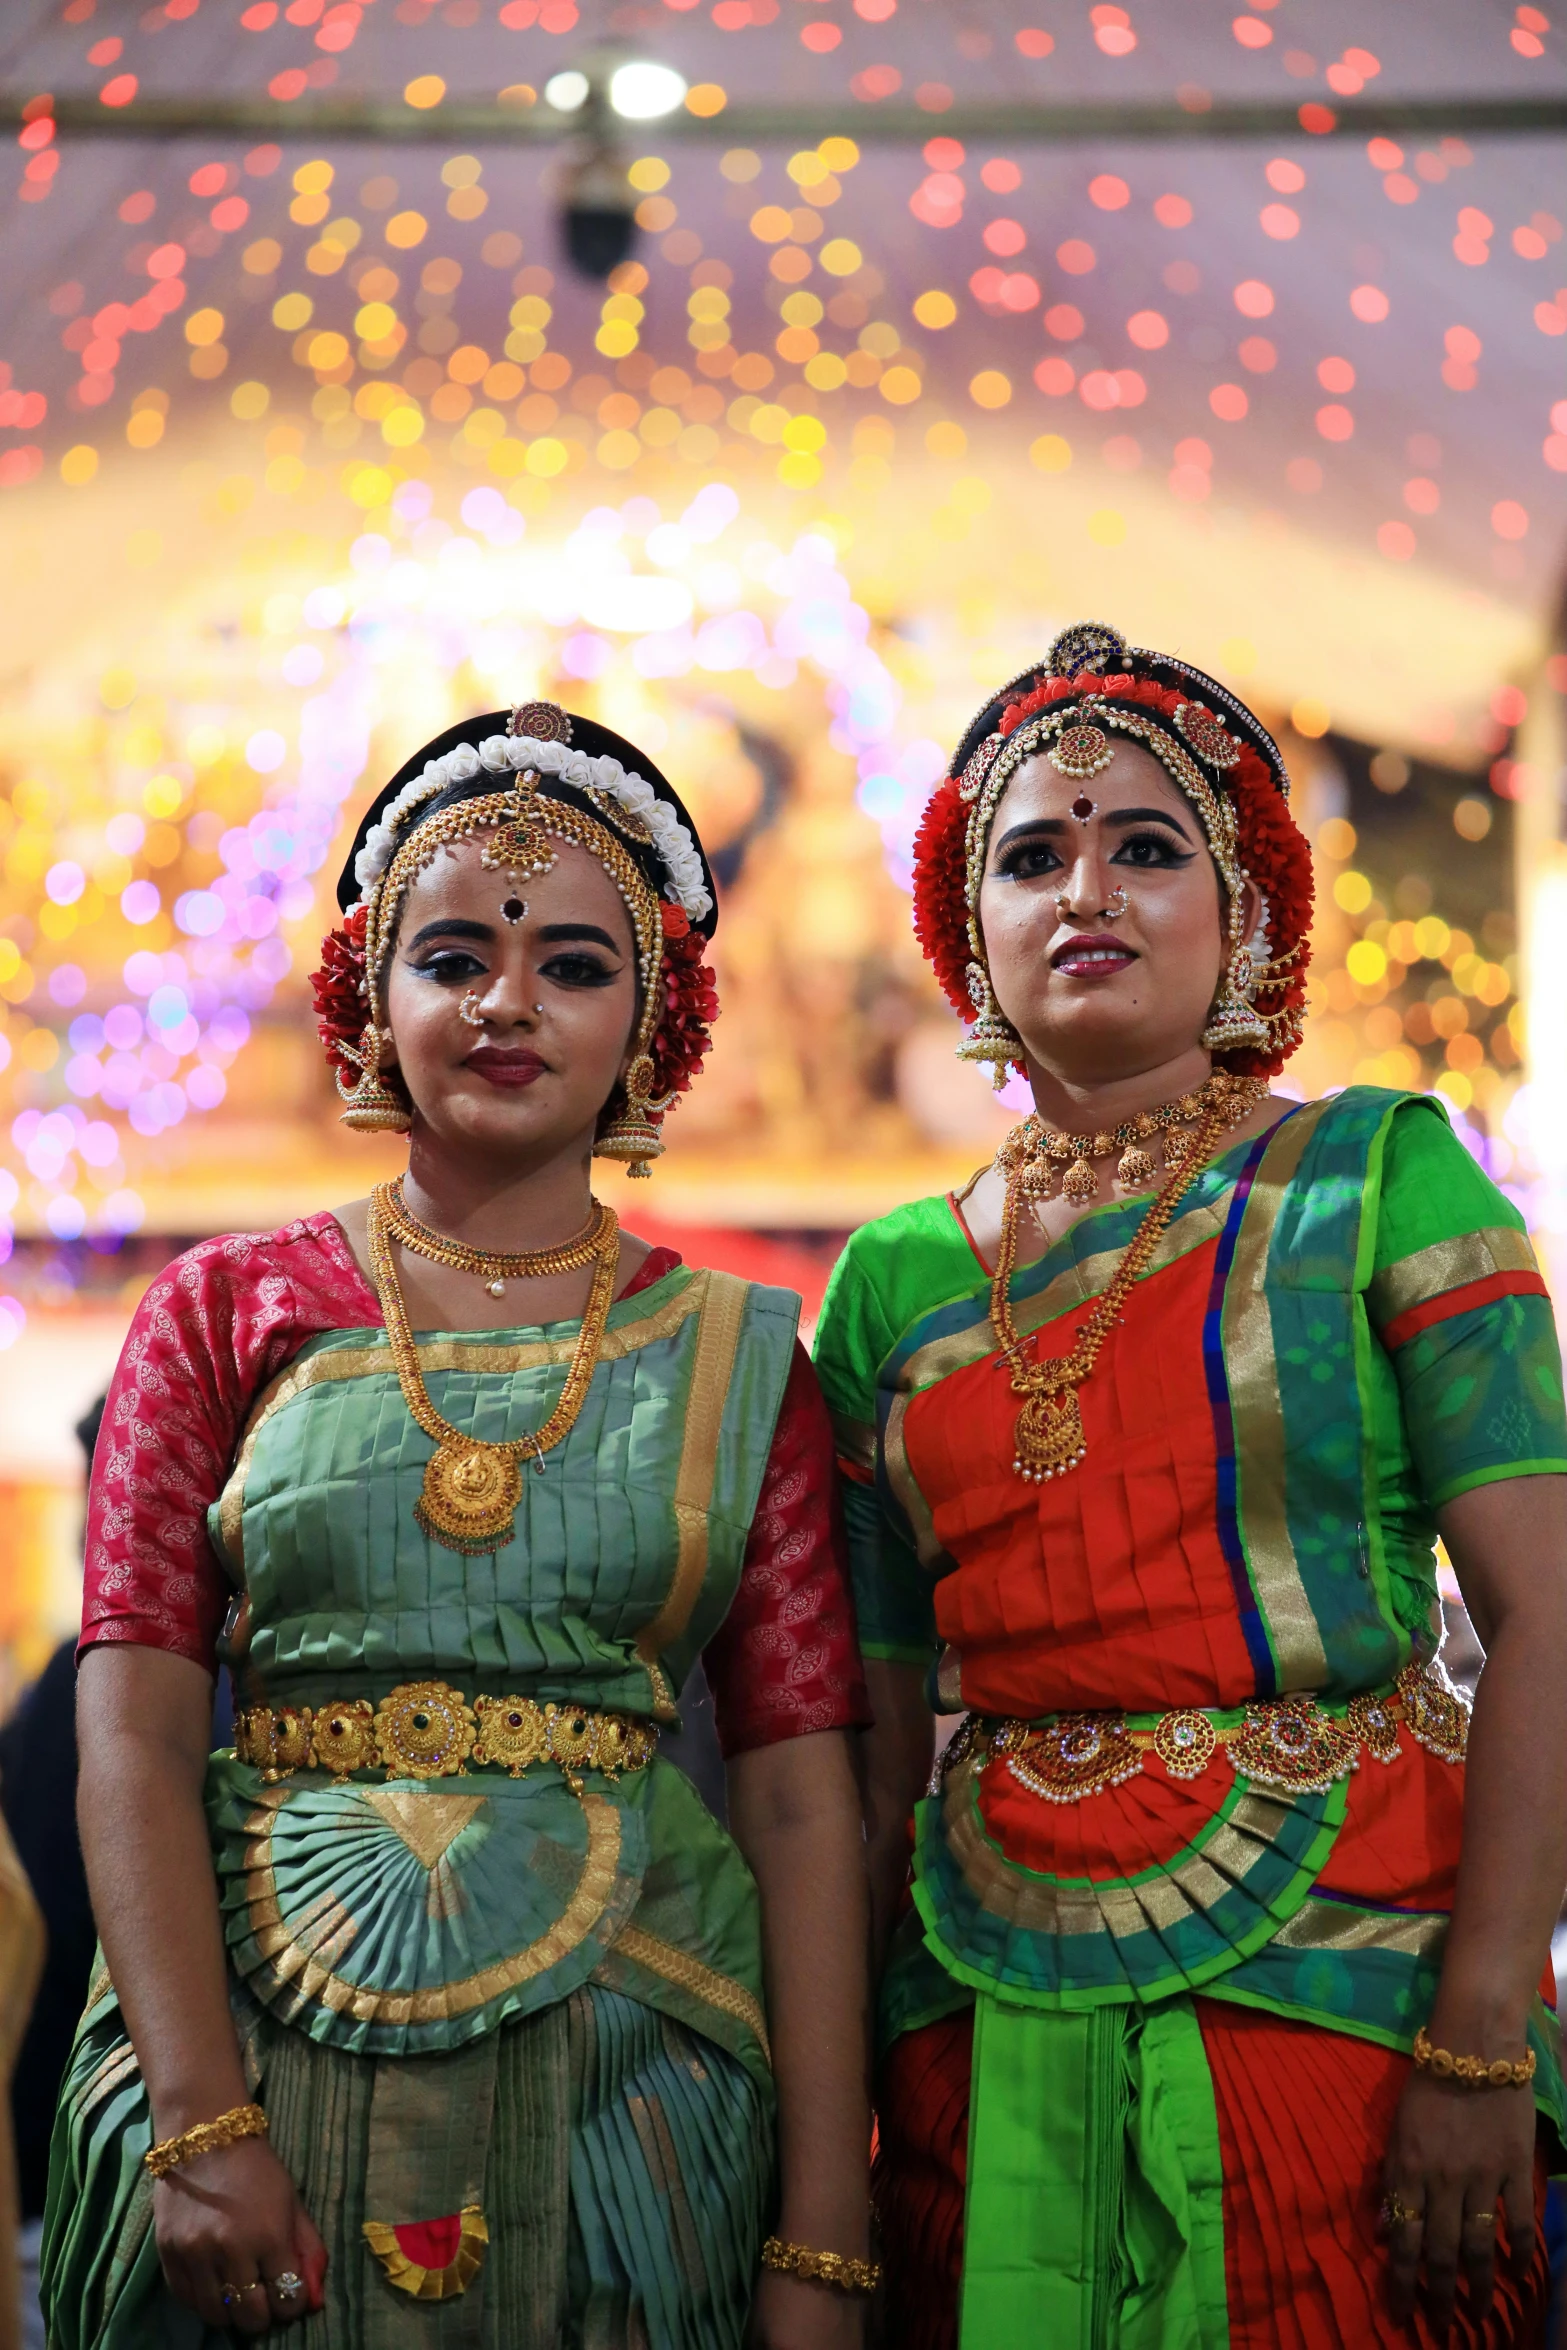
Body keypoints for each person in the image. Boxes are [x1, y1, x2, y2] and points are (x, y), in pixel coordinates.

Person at [42, 701, 876, 2349]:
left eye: (573, 963)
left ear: (654, 1016)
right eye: (451, 958)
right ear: (372, 997)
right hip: (256, 2044)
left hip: (637, 2073)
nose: (507, 1001)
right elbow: (127, 1732)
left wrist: (823, 2235)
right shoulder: (221, 1309)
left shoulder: (739, 1355)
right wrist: (200, 2128)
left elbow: (798, 1797)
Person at [814, 621, 1567, 2347]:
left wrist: (1479, 2030)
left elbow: (1541, 1622)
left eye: (1147, 847)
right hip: (972, 2005)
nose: (1087, 887)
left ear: (1244, 921)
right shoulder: (891, 1284)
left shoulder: (1380, 1175)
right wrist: (825, 2154)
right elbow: (861, 1761)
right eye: (1031, 854)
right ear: (967, 935)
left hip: (1354, 1995)